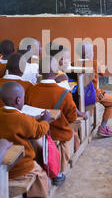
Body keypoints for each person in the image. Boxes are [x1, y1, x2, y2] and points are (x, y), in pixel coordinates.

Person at [0, 81, 52, 198]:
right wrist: (45, 121)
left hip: (1, 162)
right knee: (41, 175)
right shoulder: (23, 119)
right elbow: (39, 131)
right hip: (21, 165)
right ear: (18, 100)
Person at [25, 55, 78, 186]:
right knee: (65, 139)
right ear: (56, 71)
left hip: (36, 133)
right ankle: (59, 172)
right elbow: (72, 117)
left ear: (39, 72)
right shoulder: (64, 93)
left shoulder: (30, 90)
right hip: (57, 133)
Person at [75, 42, 112, 137]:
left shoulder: (75, 63)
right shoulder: (94, 63)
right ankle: (103, 128)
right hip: (93, 94)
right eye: (92, 50)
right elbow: (102, 72)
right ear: (89, 53)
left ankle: (86, 128)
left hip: (79, 93)